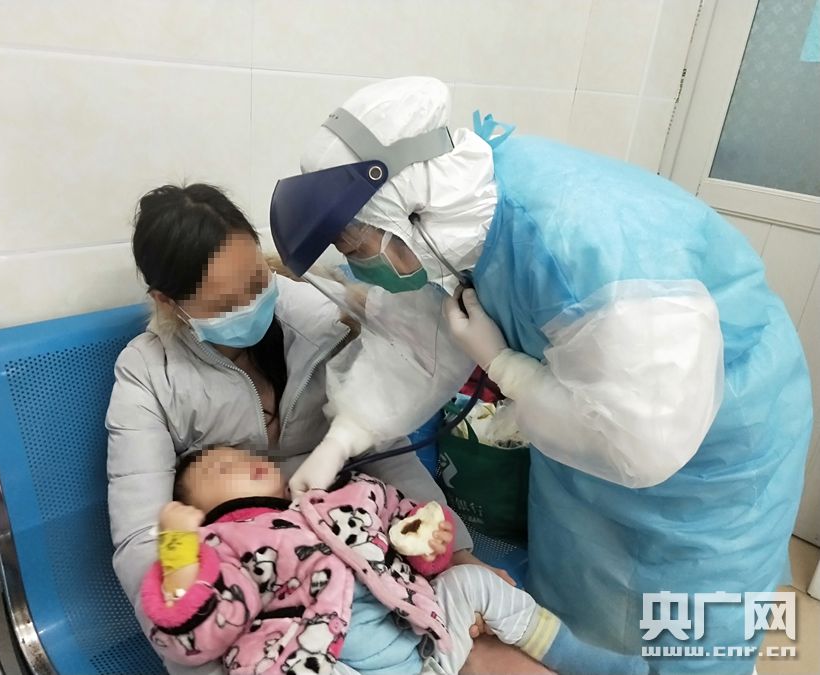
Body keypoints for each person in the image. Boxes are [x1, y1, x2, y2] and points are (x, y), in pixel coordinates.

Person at [269, 77, 814, 675]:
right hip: (583, 432)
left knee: (691, 625)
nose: (358, 262)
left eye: (358, 244)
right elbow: (414, 338)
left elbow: (639, 445)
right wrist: (343, 437)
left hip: (712, 454)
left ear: (412, 210)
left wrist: (505, 366)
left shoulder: (586, 247)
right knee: (583, 596)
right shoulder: (455, 227)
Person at [106, 183, 541, 675]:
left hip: (362, 555)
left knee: (488, 651)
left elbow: (386, 447)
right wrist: (196, 651)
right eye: (225, 303)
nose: (251, 304)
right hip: (255, 600)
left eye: (256, 280)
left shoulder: (319, 314)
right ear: (167, 302)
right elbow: (142, 537)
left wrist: (455, 552)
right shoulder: (149, 373)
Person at [141, 445, 648, 675]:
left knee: (470, 582)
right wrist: (179, 552)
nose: (242, 460)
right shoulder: (223, 545)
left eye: (244, 454)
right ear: (196, 509)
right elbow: (199, 637)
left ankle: (586, 660)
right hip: (322, 659)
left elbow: (407, 526)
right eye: (220, 467)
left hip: (426, 648)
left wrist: (432, 543)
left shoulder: (340, 498)